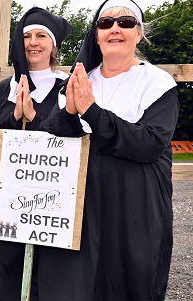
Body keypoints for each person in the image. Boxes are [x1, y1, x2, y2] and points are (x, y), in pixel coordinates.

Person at [37, 0, 178, 300]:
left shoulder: (157, 82)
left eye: (125, 23)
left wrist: (91, 112)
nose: (115, 28)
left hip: (133, 205)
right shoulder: (78, 81)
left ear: (138, 34)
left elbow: (150, 143)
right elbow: (56, 135)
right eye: (106, 23)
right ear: (97, 34)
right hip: (80, 206)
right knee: (78, 284)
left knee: (130, 281)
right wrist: (71, 113)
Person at [0, 8, 73, 301]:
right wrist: (13, 117)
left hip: (51, 202)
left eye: (41, 35)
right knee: (3, 278)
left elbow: (73, 139)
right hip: (6, 199)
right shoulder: (3, 90)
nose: (33, 42)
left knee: (46, 279)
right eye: (27, 36)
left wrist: (34, 117)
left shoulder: (67, 89)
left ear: (53, 44)